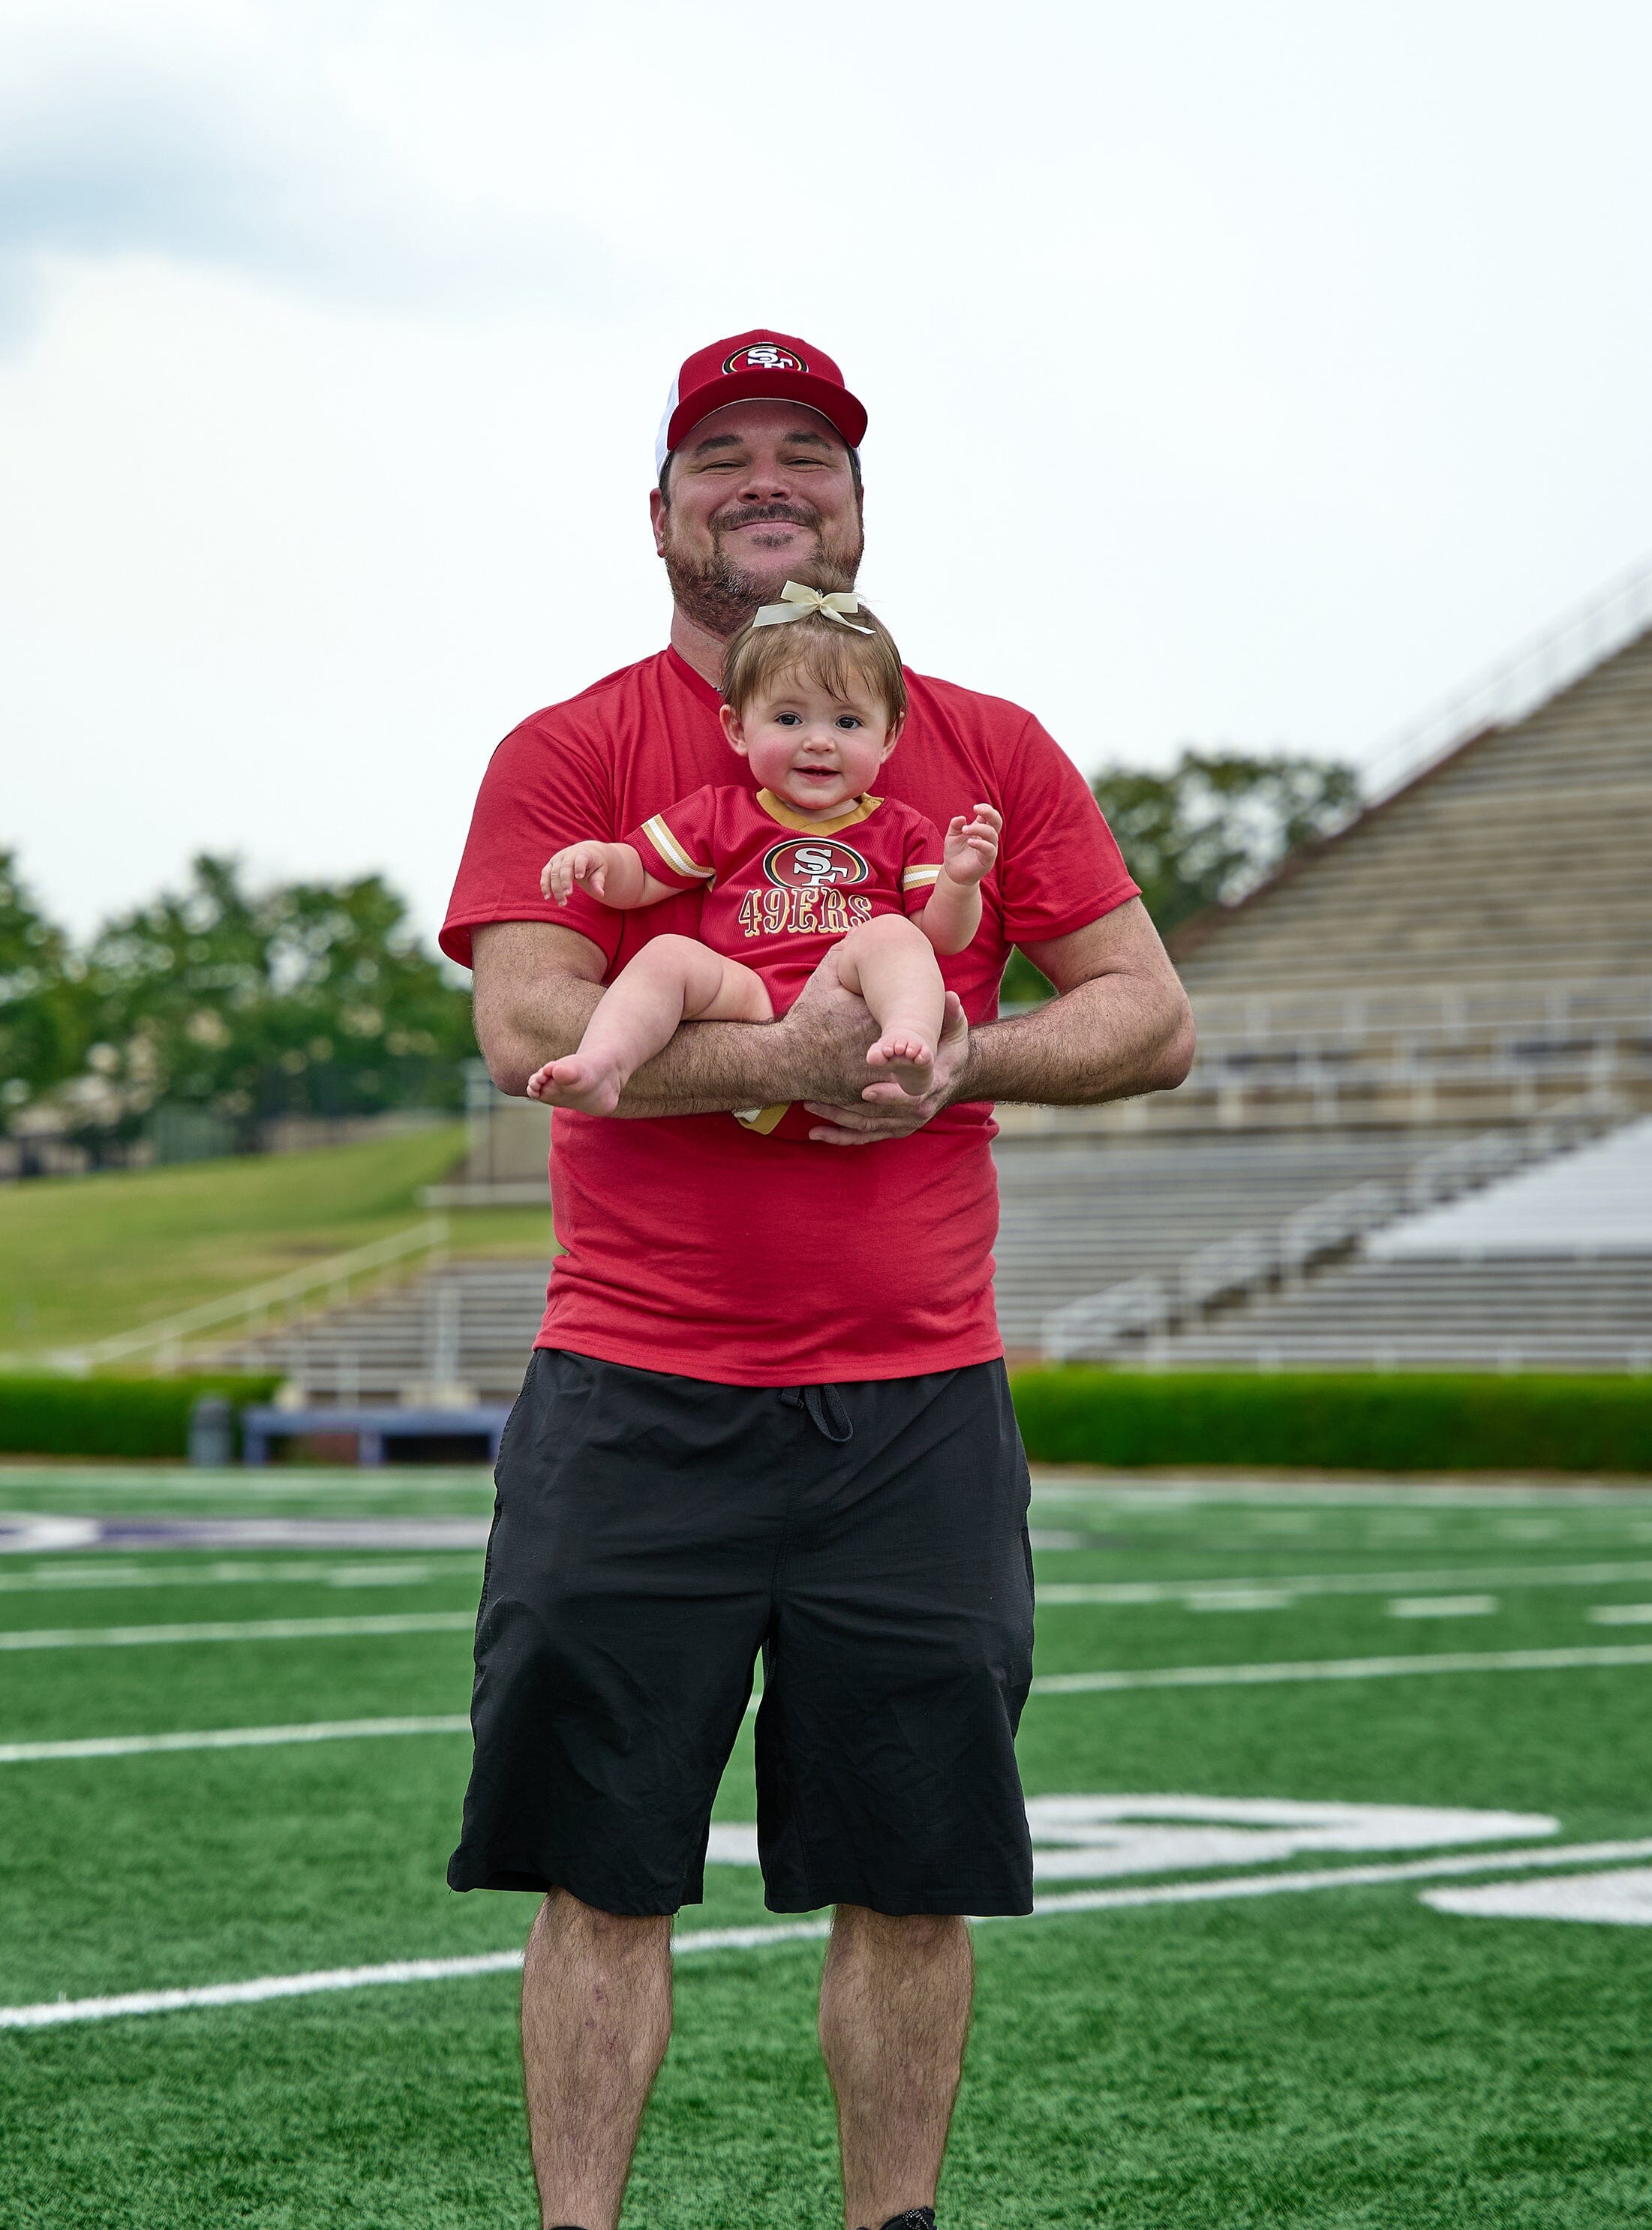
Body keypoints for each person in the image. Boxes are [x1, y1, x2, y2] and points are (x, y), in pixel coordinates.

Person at [440, 329, 1195, 2230]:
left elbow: (1144, 1015)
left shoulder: (985, 746)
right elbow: (528, 1015)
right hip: (634, 1387)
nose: (767, 480)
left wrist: (957, 1054)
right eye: (724, 456)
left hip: (912, 1396)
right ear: (661, 510)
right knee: (599, 1864)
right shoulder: (572, 748)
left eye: (808, 455)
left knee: (910, 1868)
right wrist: (783, 1059)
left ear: (858, 504)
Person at [527, 589, 1002, 1114]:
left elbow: (943, 937)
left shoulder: (901, 827)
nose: (819, 741)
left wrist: (960, 882)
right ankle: (605, 1065)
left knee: (895, 935)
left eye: (847, 723)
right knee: (667, 955)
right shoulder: (721, 814)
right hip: (744, 995)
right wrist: (600, 859)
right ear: (738, 729)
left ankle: (909, 1044)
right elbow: (639, 878)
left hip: (855, 991)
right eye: (789, 719)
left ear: (887, 738)